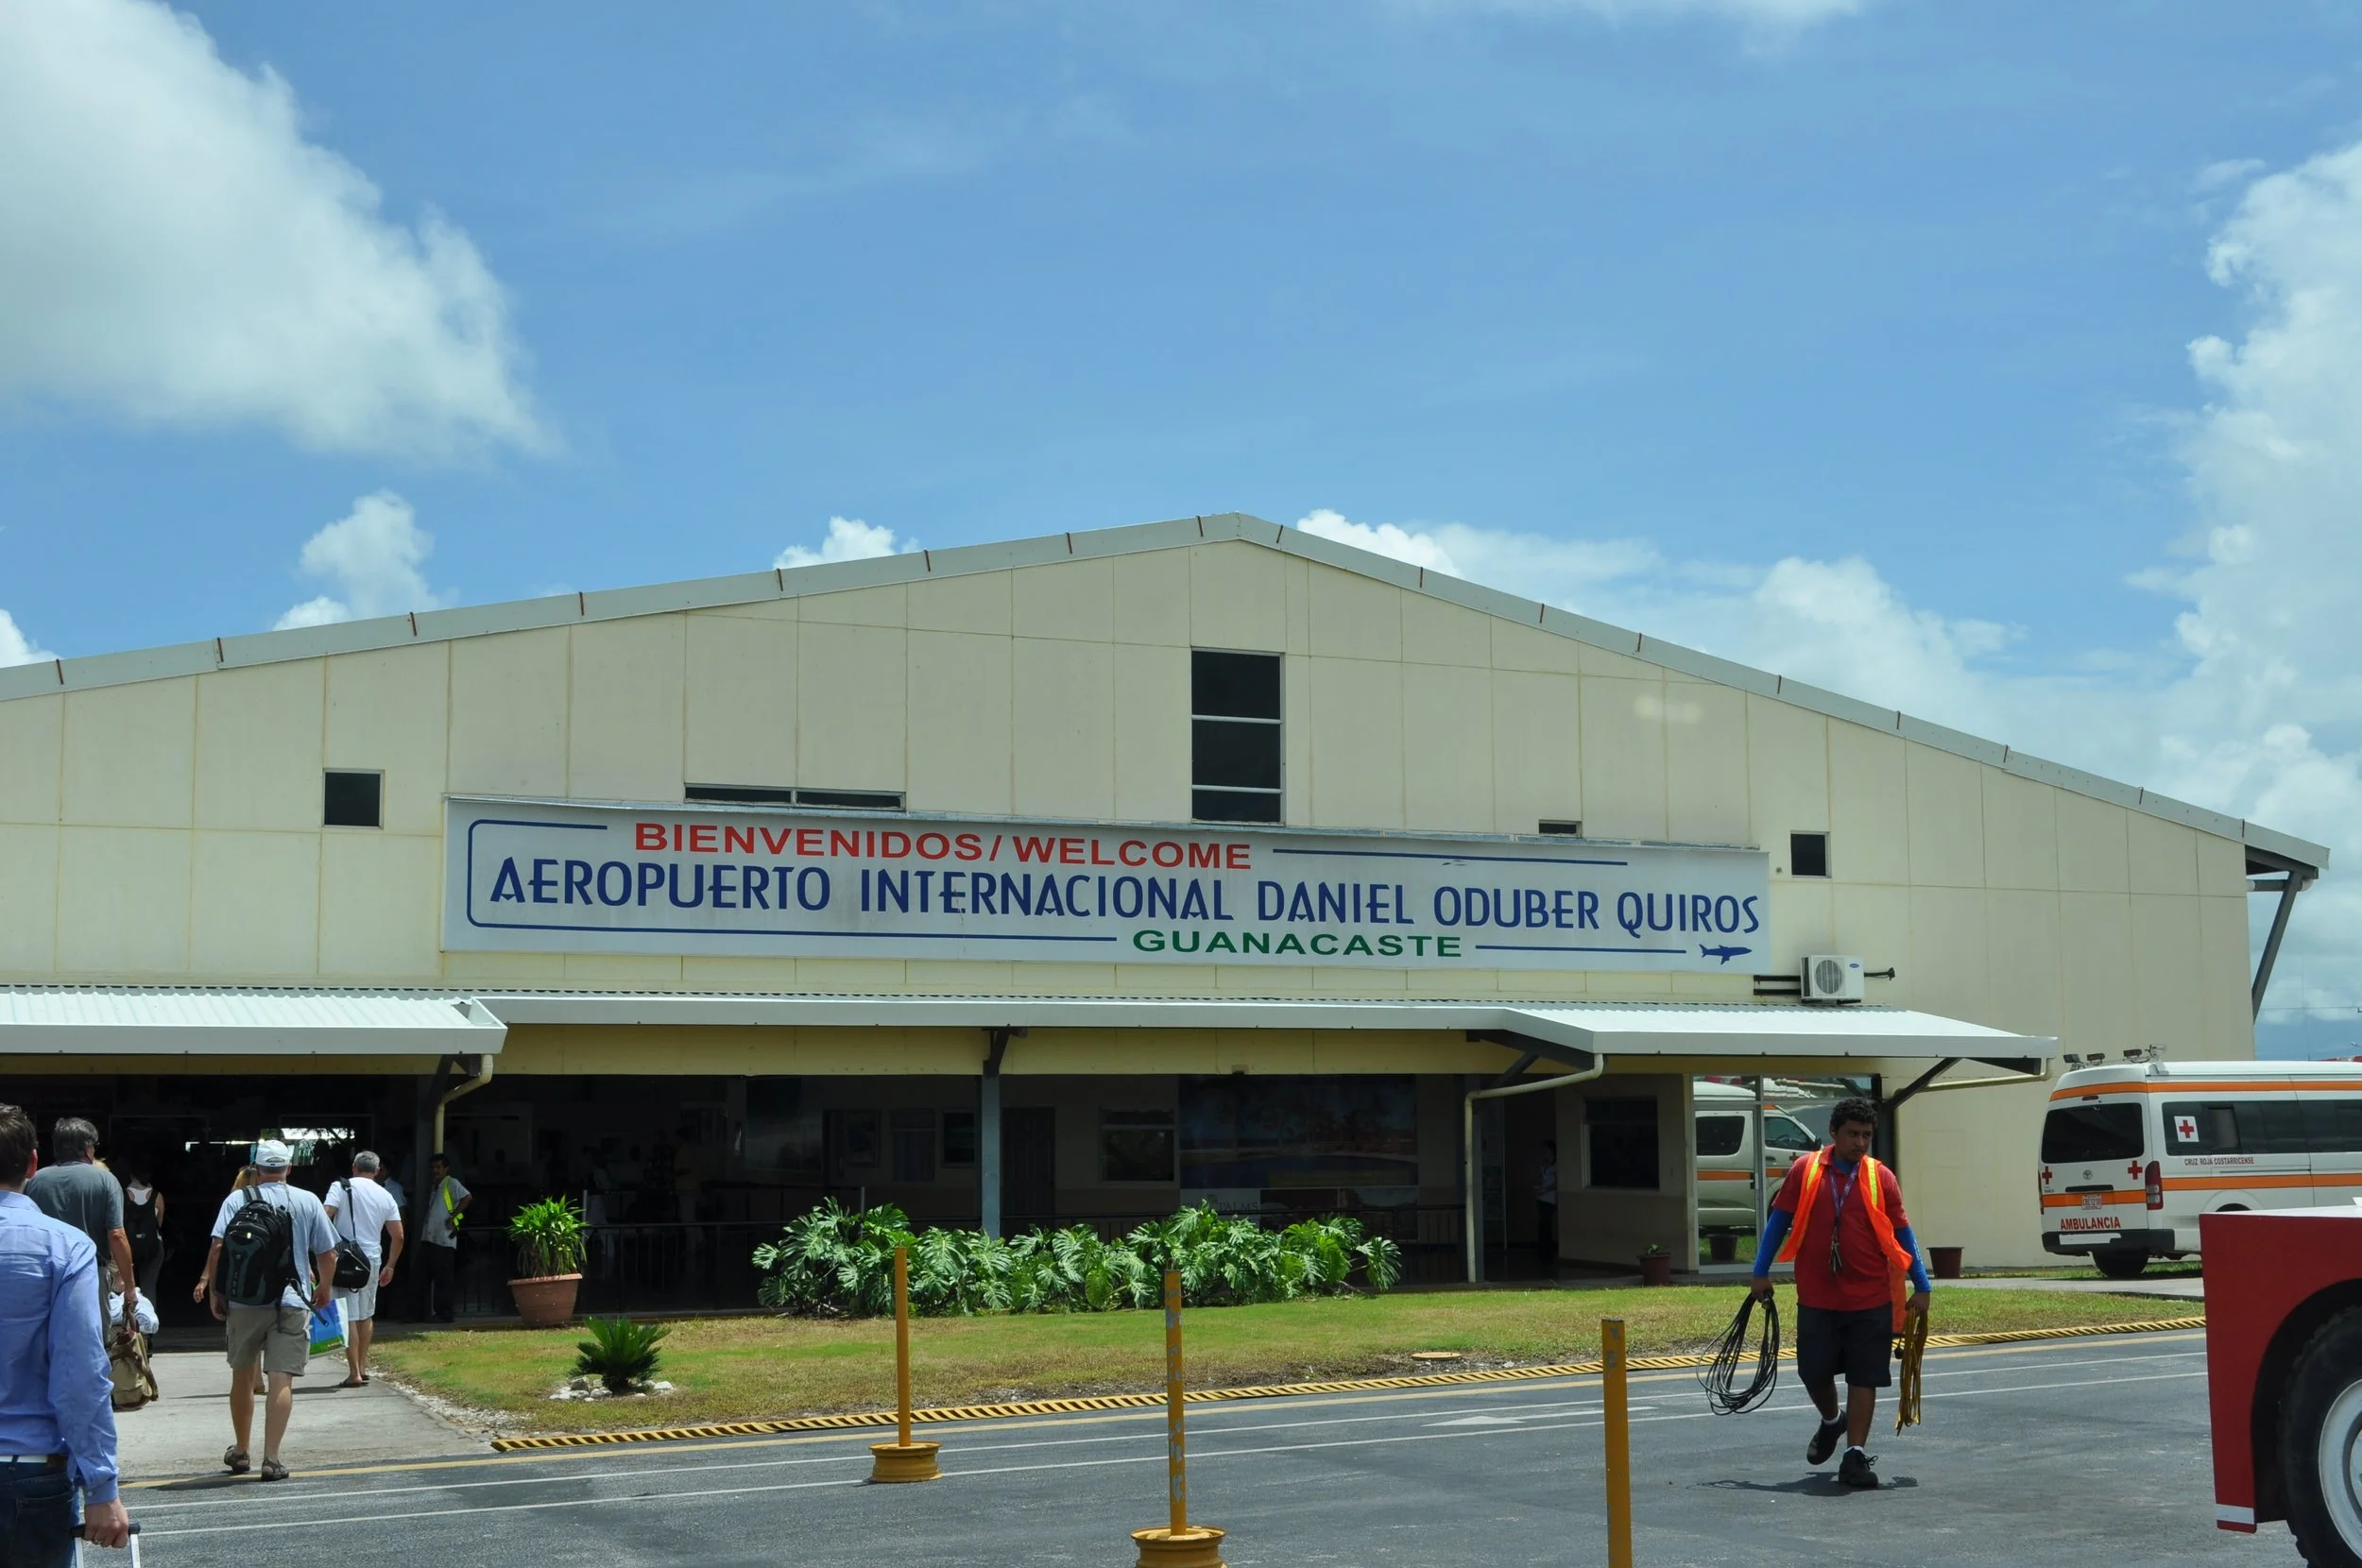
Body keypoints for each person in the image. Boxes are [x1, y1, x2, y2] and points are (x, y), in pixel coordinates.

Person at [1749, 1097, 1931, 1489]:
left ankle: (1855, 1455)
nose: (1860, 1142)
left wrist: (1923, 1283)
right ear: (1833, 1134)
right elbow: (1779, 1220)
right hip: (1817, 1296)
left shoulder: (1881, 1177)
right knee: (1813, 1372)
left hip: (1871, 1298)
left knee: (1864, 1377)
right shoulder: (1806, 1170)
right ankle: (1833, 1421)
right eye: (1852, 1134)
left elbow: (1903, 1232)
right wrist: (1760, 1271)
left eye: (1867, 1135)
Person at [0, 1102, 131, 1563]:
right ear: (32, 1164)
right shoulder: (66, 1247)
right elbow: (80, 1373)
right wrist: (102, 1483)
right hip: (26, 1469)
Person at [195, 1140, 336, 1482]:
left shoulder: (237, 1199)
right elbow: (328, 1254)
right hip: (292, 1299)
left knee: (242, 1375)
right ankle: (271, 1459)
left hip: (245, 1302)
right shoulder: (307, 1200)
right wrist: (324, 1288)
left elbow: (217, 1248)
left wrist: (216, 1291)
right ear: (289, 1168)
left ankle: (242, 1451)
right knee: (281, 1378)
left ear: (256, 1170)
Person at [24, 1120, 137, 1338]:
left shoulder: (34, 1181)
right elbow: (117, 1235)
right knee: (93, 1342)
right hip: (91, 1273)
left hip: (45, 1274)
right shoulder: (105, 1180)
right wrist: (130, 1286)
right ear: (88, 1148)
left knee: (48, 1341)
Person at [322, 1151, 405, 1387]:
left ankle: (354, 1372)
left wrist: (329, 1245)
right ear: (378, 1171)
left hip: (346, 1256)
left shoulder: (340, 1187)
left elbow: (325, 1214)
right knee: (366, 1314)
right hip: (372, 1258)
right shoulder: (385, 1194)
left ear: (354, 1167)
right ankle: (363, 1365)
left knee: (349, 1314)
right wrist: (391, 1264)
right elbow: (398, 1235)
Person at [417, 1152, 471, 1324]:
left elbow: (467, 1197)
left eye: (439, 1167)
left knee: (443, 1280)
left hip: (444, 1239)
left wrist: (453, 1217)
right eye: (433, 1167)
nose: (435, 1170)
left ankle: (444, 1313)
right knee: (422, 1276)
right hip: (430, 1238)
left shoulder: (450, 1183)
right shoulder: (435, 1186)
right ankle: (422, 1312)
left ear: (446, 1168)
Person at [118, 1167, 164, 1306]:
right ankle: (148, 1323)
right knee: (149, 1288)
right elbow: (160, 1223)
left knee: (125, 1286)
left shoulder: (122, 1195)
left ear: (131, 1175)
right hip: (152, 1246)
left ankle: (128, 1323)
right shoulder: (157, 1196)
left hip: (127, 1246)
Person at [1533, 1139, 1559, 1274]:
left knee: (1546, 1224)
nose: (1544, 1153)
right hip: (1541, 1198)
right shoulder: (1543, 1165)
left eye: (1546, 1151)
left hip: (1550, 1198)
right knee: (1542, 1225)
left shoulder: (1556, 1166)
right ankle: (1542, 1253)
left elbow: (1556, 1183)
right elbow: (1540, 1179)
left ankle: (1548, 1255)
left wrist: (1545, 1190)